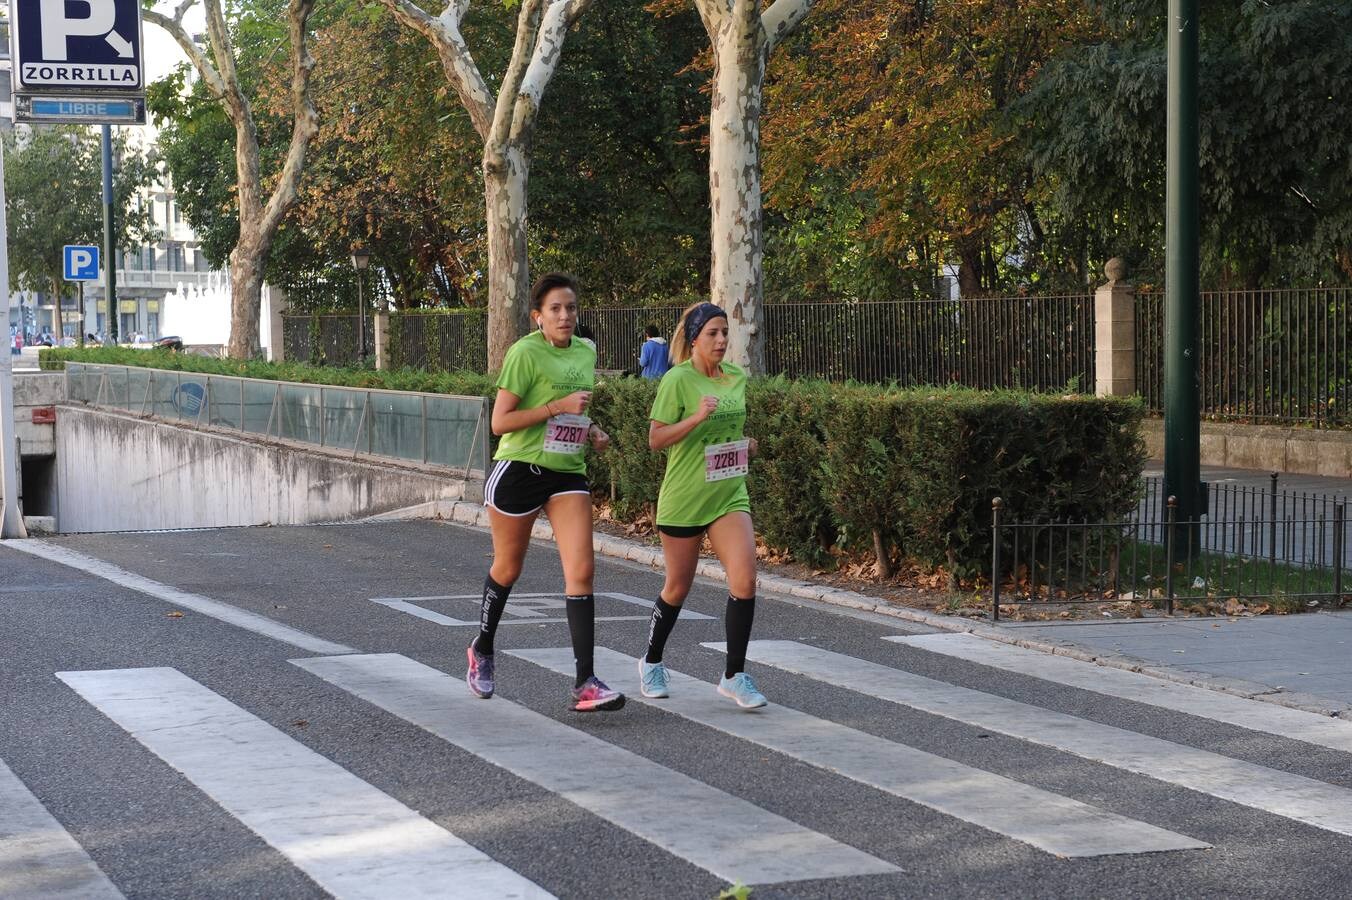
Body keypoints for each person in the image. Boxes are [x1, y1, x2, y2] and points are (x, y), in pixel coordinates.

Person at [469, 272, 625, 712]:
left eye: (571, 308)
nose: (565, 316)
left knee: (582, 570)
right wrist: (556, 406)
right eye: (555, 309)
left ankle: (585, 682)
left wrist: (592, 429)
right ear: (538, 316)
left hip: (566, 471)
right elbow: (500, 422)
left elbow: (573, 415)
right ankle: (482, 648)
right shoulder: (524, 353)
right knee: (508, 567)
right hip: (519, 469)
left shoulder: (585, 351)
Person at [639, 302, 765, 708]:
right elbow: (656, 441)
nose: (721, 340)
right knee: (677, 588)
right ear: (694, 338)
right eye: (712, 333)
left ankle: (734, 674)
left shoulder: (735, 377)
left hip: (729, 493)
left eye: (725, 332)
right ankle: (652, 661)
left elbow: (731, 432)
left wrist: (746, 446)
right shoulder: (677, 380)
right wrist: (694, 418)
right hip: (685, 497)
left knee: (745, 580)